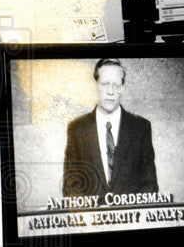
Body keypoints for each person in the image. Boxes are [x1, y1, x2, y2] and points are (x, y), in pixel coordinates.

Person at [63, 58, 158, 199]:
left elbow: (149, 184)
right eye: (105, 84)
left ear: (122, 88)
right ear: (95, 85)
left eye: (116, 85)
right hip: (92, 219)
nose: (111, 91)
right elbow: (71, 186)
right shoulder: (77, 129)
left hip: (132, 218)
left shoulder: (141, 127)